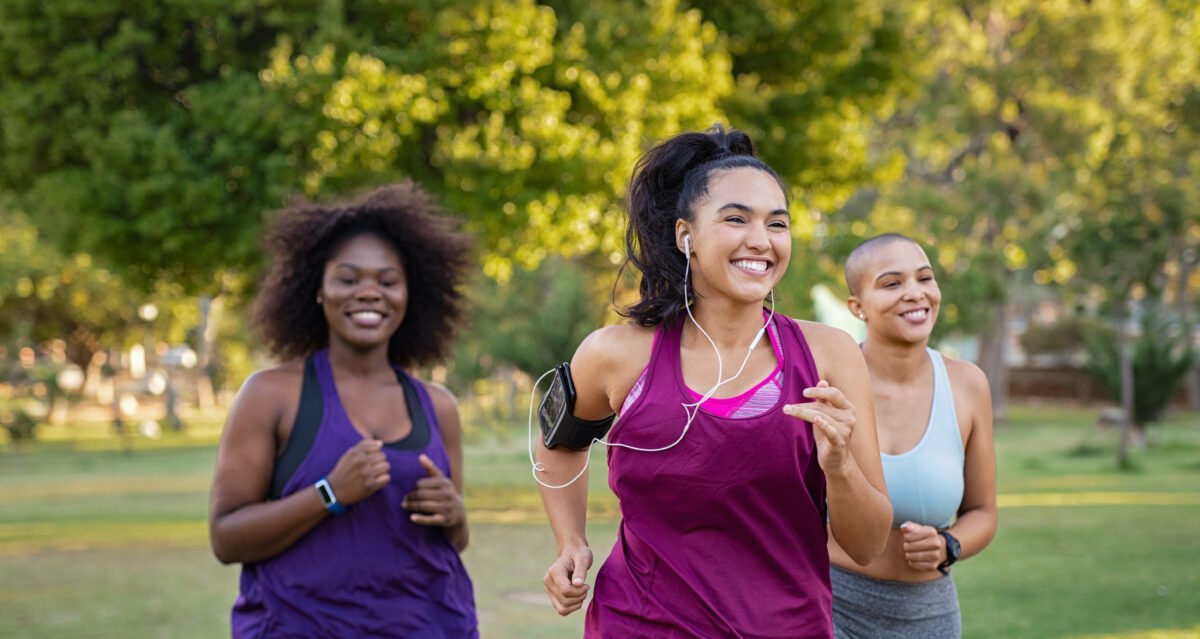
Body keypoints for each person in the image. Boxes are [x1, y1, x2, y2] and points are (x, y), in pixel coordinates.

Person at [536, 125, 893, 638]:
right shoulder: (615, 354)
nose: (761, 240)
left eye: (777, 223)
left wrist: (839, 468)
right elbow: (557, 446)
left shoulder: (828, 355)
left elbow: (867, 543)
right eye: (735, 219)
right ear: (686, 235)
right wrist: (570, 541)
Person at [208, 182, 478, 638]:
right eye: (349, 279)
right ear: (317, 290)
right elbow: (226, 538)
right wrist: (329, 494)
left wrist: (456, 516)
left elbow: (455, 542)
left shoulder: (438, 406)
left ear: (411, 294)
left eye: (388, 281)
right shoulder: (270, 395)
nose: (370, 292)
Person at [830, 233, 997, 638]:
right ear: (858, 306)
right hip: (831, 606)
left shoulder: (968, 384)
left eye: (925, 278)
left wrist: (948, 546)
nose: (915, 293)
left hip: (929, 615)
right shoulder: (826, 383)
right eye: (892, 283)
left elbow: (983, 513)